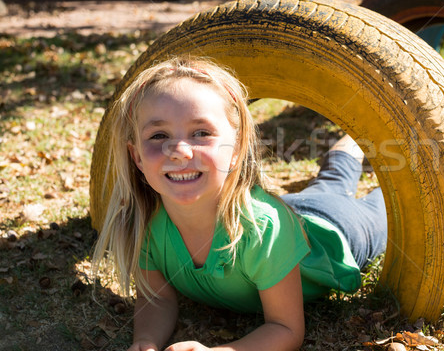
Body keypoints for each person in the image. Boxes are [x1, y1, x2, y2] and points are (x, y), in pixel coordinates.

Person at [92, 56, 387, 351]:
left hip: (338, 228)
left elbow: (285, 328)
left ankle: (366, 134)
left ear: (236, 148)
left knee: (385, 204)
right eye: (158, 135)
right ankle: (350, 146)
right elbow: (157, 298)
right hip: (296, 208)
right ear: (137, 157)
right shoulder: (146, 223)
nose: (179, 151)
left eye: (201, 133)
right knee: (330, 183)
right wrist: (146, 342)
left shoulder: (263, 229)